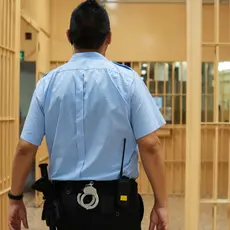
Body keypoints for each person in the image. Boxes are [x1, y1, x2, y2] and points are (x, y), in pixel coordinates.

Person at [8, 0, 169, 229]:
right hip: (118, 207)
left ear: (68, 36)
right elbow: (150, 144)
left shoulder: (47, 84)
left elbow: (25, 148)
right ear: (109, 37)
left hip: (65, 207)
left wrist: (15, 198)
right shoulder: (128, 81)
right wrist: (161, 203)